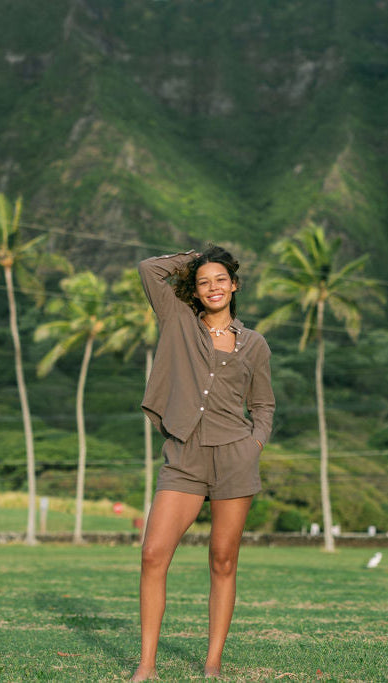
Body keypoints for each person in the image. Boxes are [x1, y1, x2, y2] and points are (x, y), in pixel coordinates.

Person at [132, 245, 275, 681]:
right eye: (203, 281)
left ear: (234, 286)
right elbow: (148, 268)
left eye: (220, 279)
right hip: (184, 456)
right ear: (194, 290)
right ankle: (147, 666)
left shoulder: (254, 344)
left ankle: (212, 665)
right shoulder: (177, 321)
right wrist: (199, 256)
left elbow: (263, 404)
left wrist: (255, 444)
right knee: (154, 554)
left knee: (223, 559)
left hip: (236, 456)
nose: (213, 287)